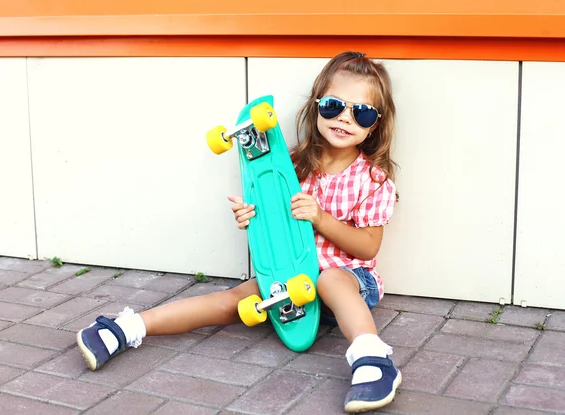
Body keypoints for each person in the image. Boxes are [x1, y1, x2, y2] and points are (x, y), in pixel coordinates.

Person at [77, 50, 401, 413]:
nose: (344, 118)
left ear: (375, 124)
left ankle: (373, 359)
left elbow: (368, 247)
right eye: (333, 105)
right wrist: (253, 217)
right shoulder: (287, 165)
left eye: (362, 112)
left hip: (349, 283)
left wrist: (322, 219)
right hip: (289, 278)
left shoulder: (372, 180)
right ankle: (127, 328)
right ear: (315, 106)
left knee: (330, 280)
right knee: (233, 299)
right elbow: (273, 225)